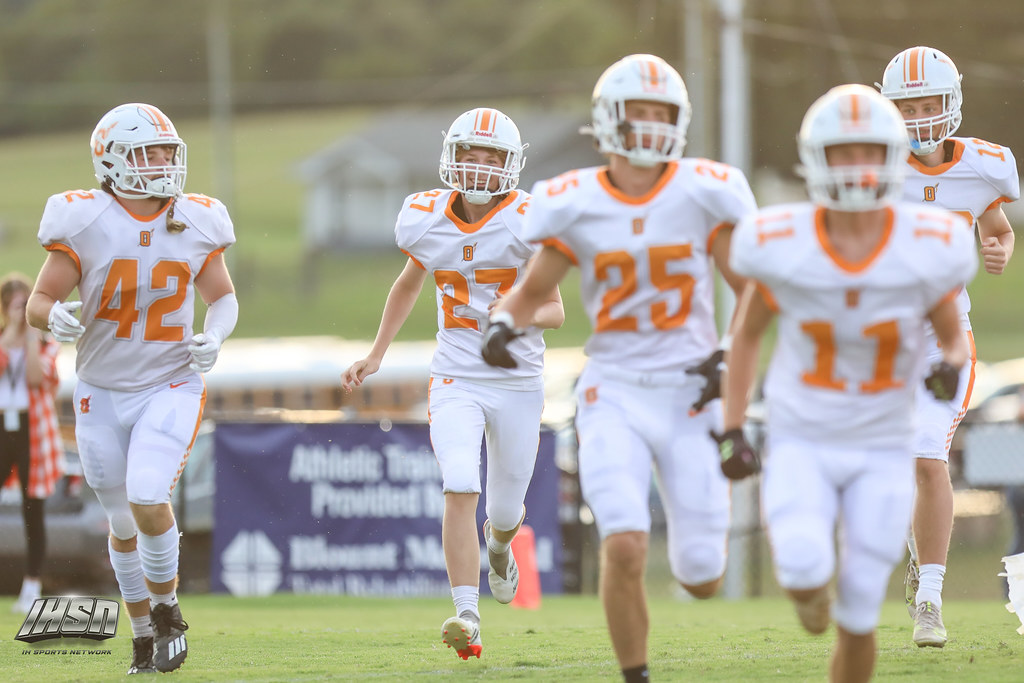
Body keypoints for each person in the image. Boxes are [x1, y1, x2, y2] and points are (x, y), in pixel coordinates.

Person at [482, 54, 756, 682]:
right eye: (642, 112)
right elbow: (531, 288)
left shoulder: (701, 191)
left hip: (693, 393)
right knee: (625, 543)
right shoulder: (574, 200)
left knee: (702, 576)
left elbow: (753, 296)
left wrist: (727, 357)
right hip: (616, 391)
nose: (654, 124)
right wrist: (504, 322)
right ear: (610, 119)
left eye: (665, 112)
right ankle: (635, 674)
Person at [720, 84, 977, 683]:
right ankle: (810, 597)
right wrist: (732, 428)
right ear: (815, 159)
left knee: (860, 615)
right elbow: (747, 337)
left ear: (891, 157)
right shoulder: (782, 240)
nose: (857, 167)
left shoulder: (926, 241)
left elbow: (953, 332)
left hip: (882, 444)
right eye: (843, 153)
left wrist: (949, 363)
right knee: (806, 573)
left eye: (868, 152)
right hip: (803, 437)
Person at [341, 107, 563, 661]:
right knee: (460, 482)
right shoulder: (424, 216)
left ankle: (500, 548)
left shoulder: (527, 220)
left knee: (507, 513)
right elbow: (408, 282)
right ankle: (468, 614)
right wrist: (376, 354)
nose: (480, 167)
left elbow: (555, 310)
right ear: (452, 157)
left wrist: (511, 316)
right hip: (455, 375)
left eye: (492, 157)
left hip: (517, 380)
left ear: (511, 165)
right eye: (471, 154)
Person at [26, 103, 238, 675]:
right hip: (99, 388)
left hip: (169, 381)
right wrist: (55, 318)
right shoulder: (85, 219)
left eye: (168, 151)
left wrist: (215, 335)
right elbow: (37, 302)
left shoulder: (196, 218)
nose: (163, 163)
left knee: (148, 494)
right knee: (122, 520)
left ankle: (167, 611)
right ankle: (143, 633)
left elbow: (223, 297)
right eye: (150, 153)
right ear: (112, 160)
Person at [878, 45, 1019, 647]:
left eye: (928, 102)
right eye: (906, 105)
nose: (918, 116)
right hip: (880, 341)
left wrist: (999, 251)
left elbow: (998, 230)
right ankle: (914, 563)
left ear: (952, 101)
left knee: (928, 455)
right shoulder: (872, 165)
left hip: (946, 342)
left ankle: (929, 600)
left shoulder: (985, 166)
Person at [0, 273, 63, 614]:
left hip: (31, 430)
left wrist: (29, 332)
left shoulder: (45, 344)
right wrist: (11, 327)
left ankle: (32, 584)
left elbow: (35, 377)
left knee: (31, 508)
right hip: (2, 426)